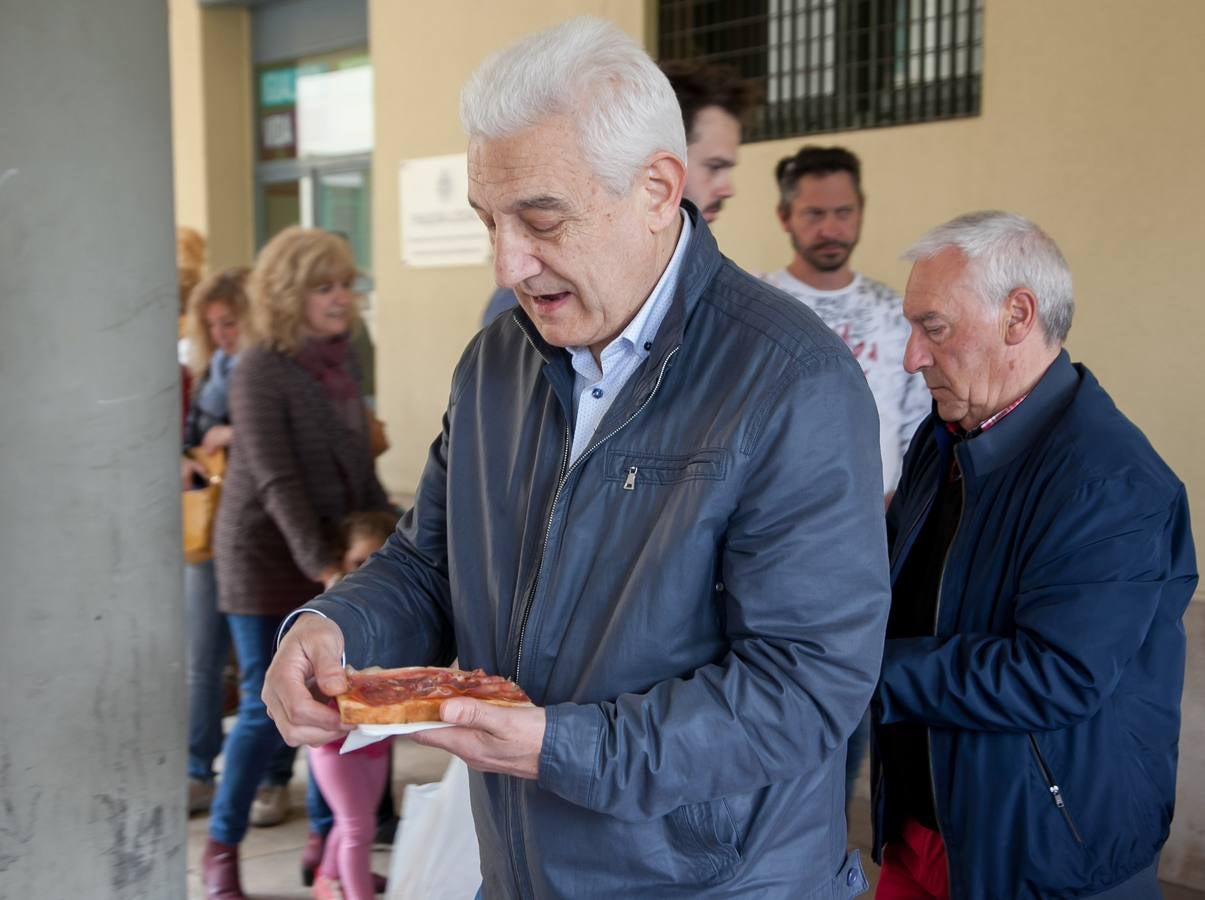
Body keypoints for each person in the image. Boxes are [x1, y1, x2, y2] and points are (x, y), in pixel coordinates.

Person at [265, 18, 890, 899]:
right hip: (523, 872)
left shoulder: (792, 381)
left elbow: (804, 689)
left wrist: (562, 749)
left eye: (540, 219)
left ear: (656, 190)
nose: (508, 262)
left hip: (720, 883)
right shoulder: (498, 361)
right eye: (489, 221)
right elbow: (430, 562)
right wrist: (331, 628)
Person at [872, 211, 1197, 899]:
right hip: (925, 834)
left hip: (1043, 860)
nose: (911, 356)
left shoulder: (1111, 481)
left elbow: (1053, 673)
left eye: (932, 326)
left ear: (1017, 315)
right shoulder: (945, 438)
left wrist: (855, 670)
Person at [201, 226, 392, 899]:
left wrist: (394, 550)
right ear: (289, 295)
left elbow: (359, 473)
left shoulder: (340, 362)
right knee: (265, 708)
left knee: (329, 706)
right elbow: (278, 482)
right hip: (263, 559)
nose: (341, 298)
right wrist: (326, 569)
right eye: (323, 287)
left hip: (327, 558)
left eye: (345, 283)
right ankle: (221, 848)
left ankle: (330, 851)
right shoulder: (259, 368)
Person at [762, 145, 930, 809]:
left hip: (869, 548)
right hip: (771, 550)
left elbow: (918, 427)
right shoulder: (757, 309)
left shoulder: (895, 315)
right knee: (768, 706)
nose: (831, 227)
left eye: (843, 211)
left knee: (851, 704)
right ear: (784, 217)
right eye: (814, 213)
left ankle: (827, 845)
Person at [479, 58, 754, 329]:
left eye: (541, 222)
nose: (727, 188)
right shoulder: (536, 299)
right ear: (660, 180)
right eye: (713, 167)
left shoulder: (757, 332)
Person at [181, 268, 251, 815]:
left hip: (252, 533)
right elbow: (190, 438)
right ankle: (196, 770)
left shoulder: (265, 367)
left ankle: (266, 777)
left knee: (258, 664)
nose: (223, 334)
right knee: (202, 658)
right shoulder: (213, 369)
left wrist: (231, 434)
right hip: (208, 530)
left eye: (231, 323)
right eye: (214, 326)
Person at [305, 512, 400, 900]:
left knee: (353, 825)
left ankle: (329, 878)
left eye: (378, 560)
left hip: (375, 743)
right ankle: (353, 889)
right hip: (336, 745)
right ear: (341, 561)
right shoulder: (324, 616)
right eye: (359, 562)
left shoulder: (398, 611)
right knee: (358, 828)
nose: (368, 572)